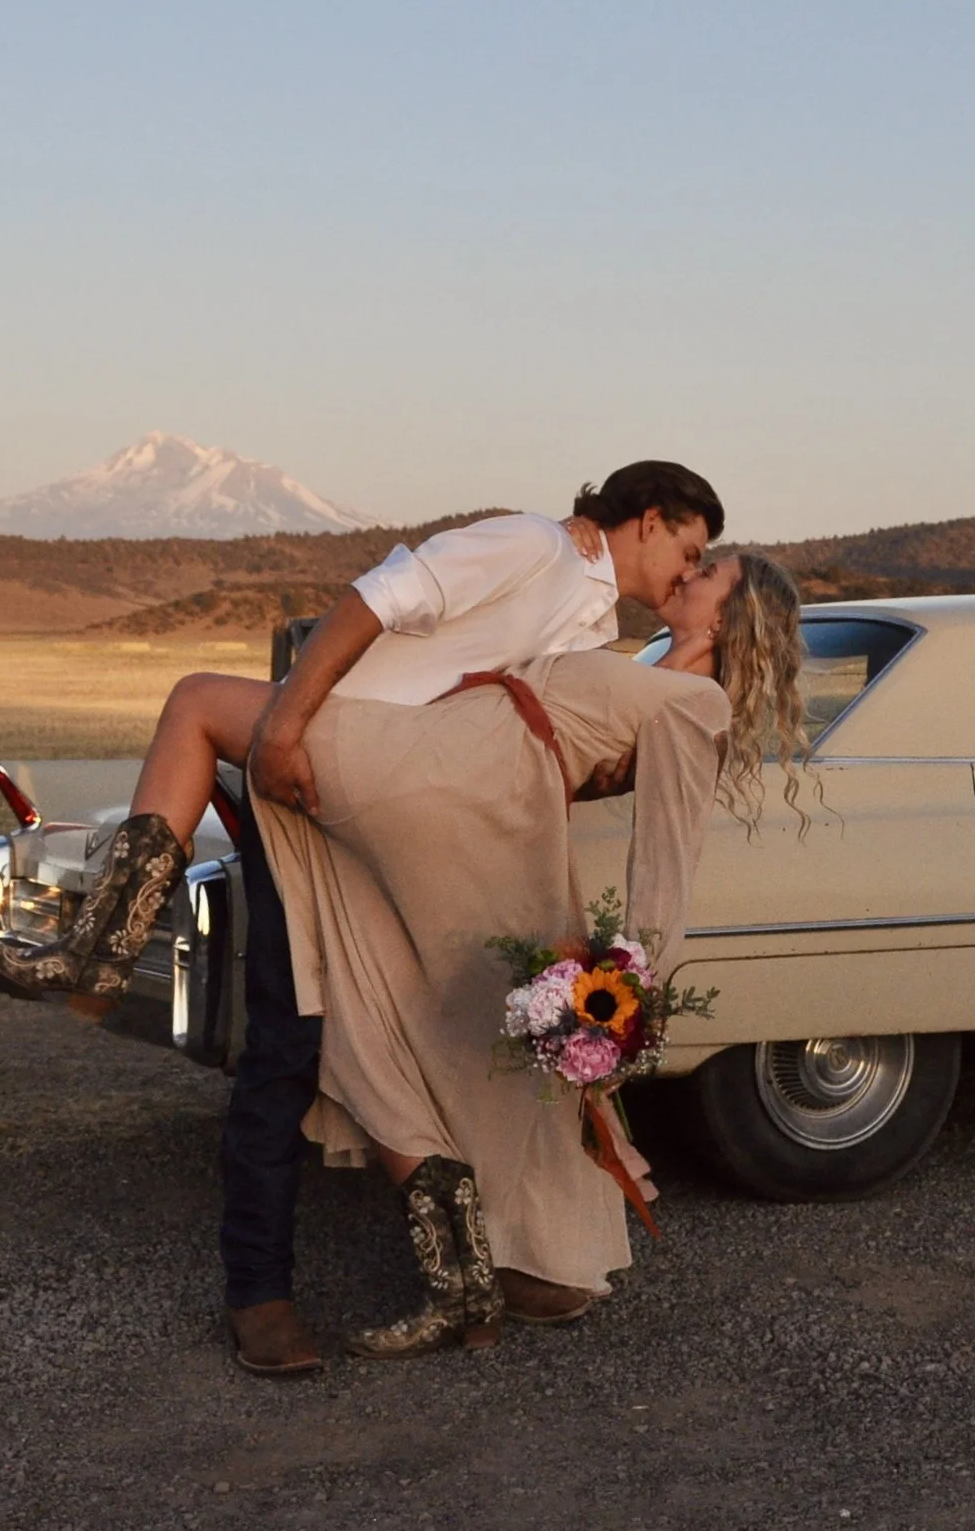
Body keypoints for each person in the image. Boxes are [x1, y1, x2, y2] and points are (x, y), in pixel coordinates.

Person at [0, 462, 724, 1374]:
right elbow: (377, 597)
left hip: (372, 789)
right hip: (334, 776)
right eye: (689, 549)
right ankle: (310, 1292)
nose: (687, 571)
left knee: (343, 1031)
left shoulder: (594, 622)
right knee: (317, 1037)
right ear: (649, 519)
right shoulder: (533, 545)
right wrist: (290, 722)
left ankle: (100, 952)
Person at [257, 549, 807, 1358]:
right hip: (458, 814)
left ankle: (486, 1280)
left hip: (490, 850)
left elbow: (667, 859)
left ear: (728, 616)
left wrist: (627, 992)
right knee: (373, 1012)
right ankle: (472, 1283)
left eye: (710, 571)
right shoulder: (640, 668)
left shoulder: (695, 703)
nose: (688, 573)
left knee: (440, 1041)